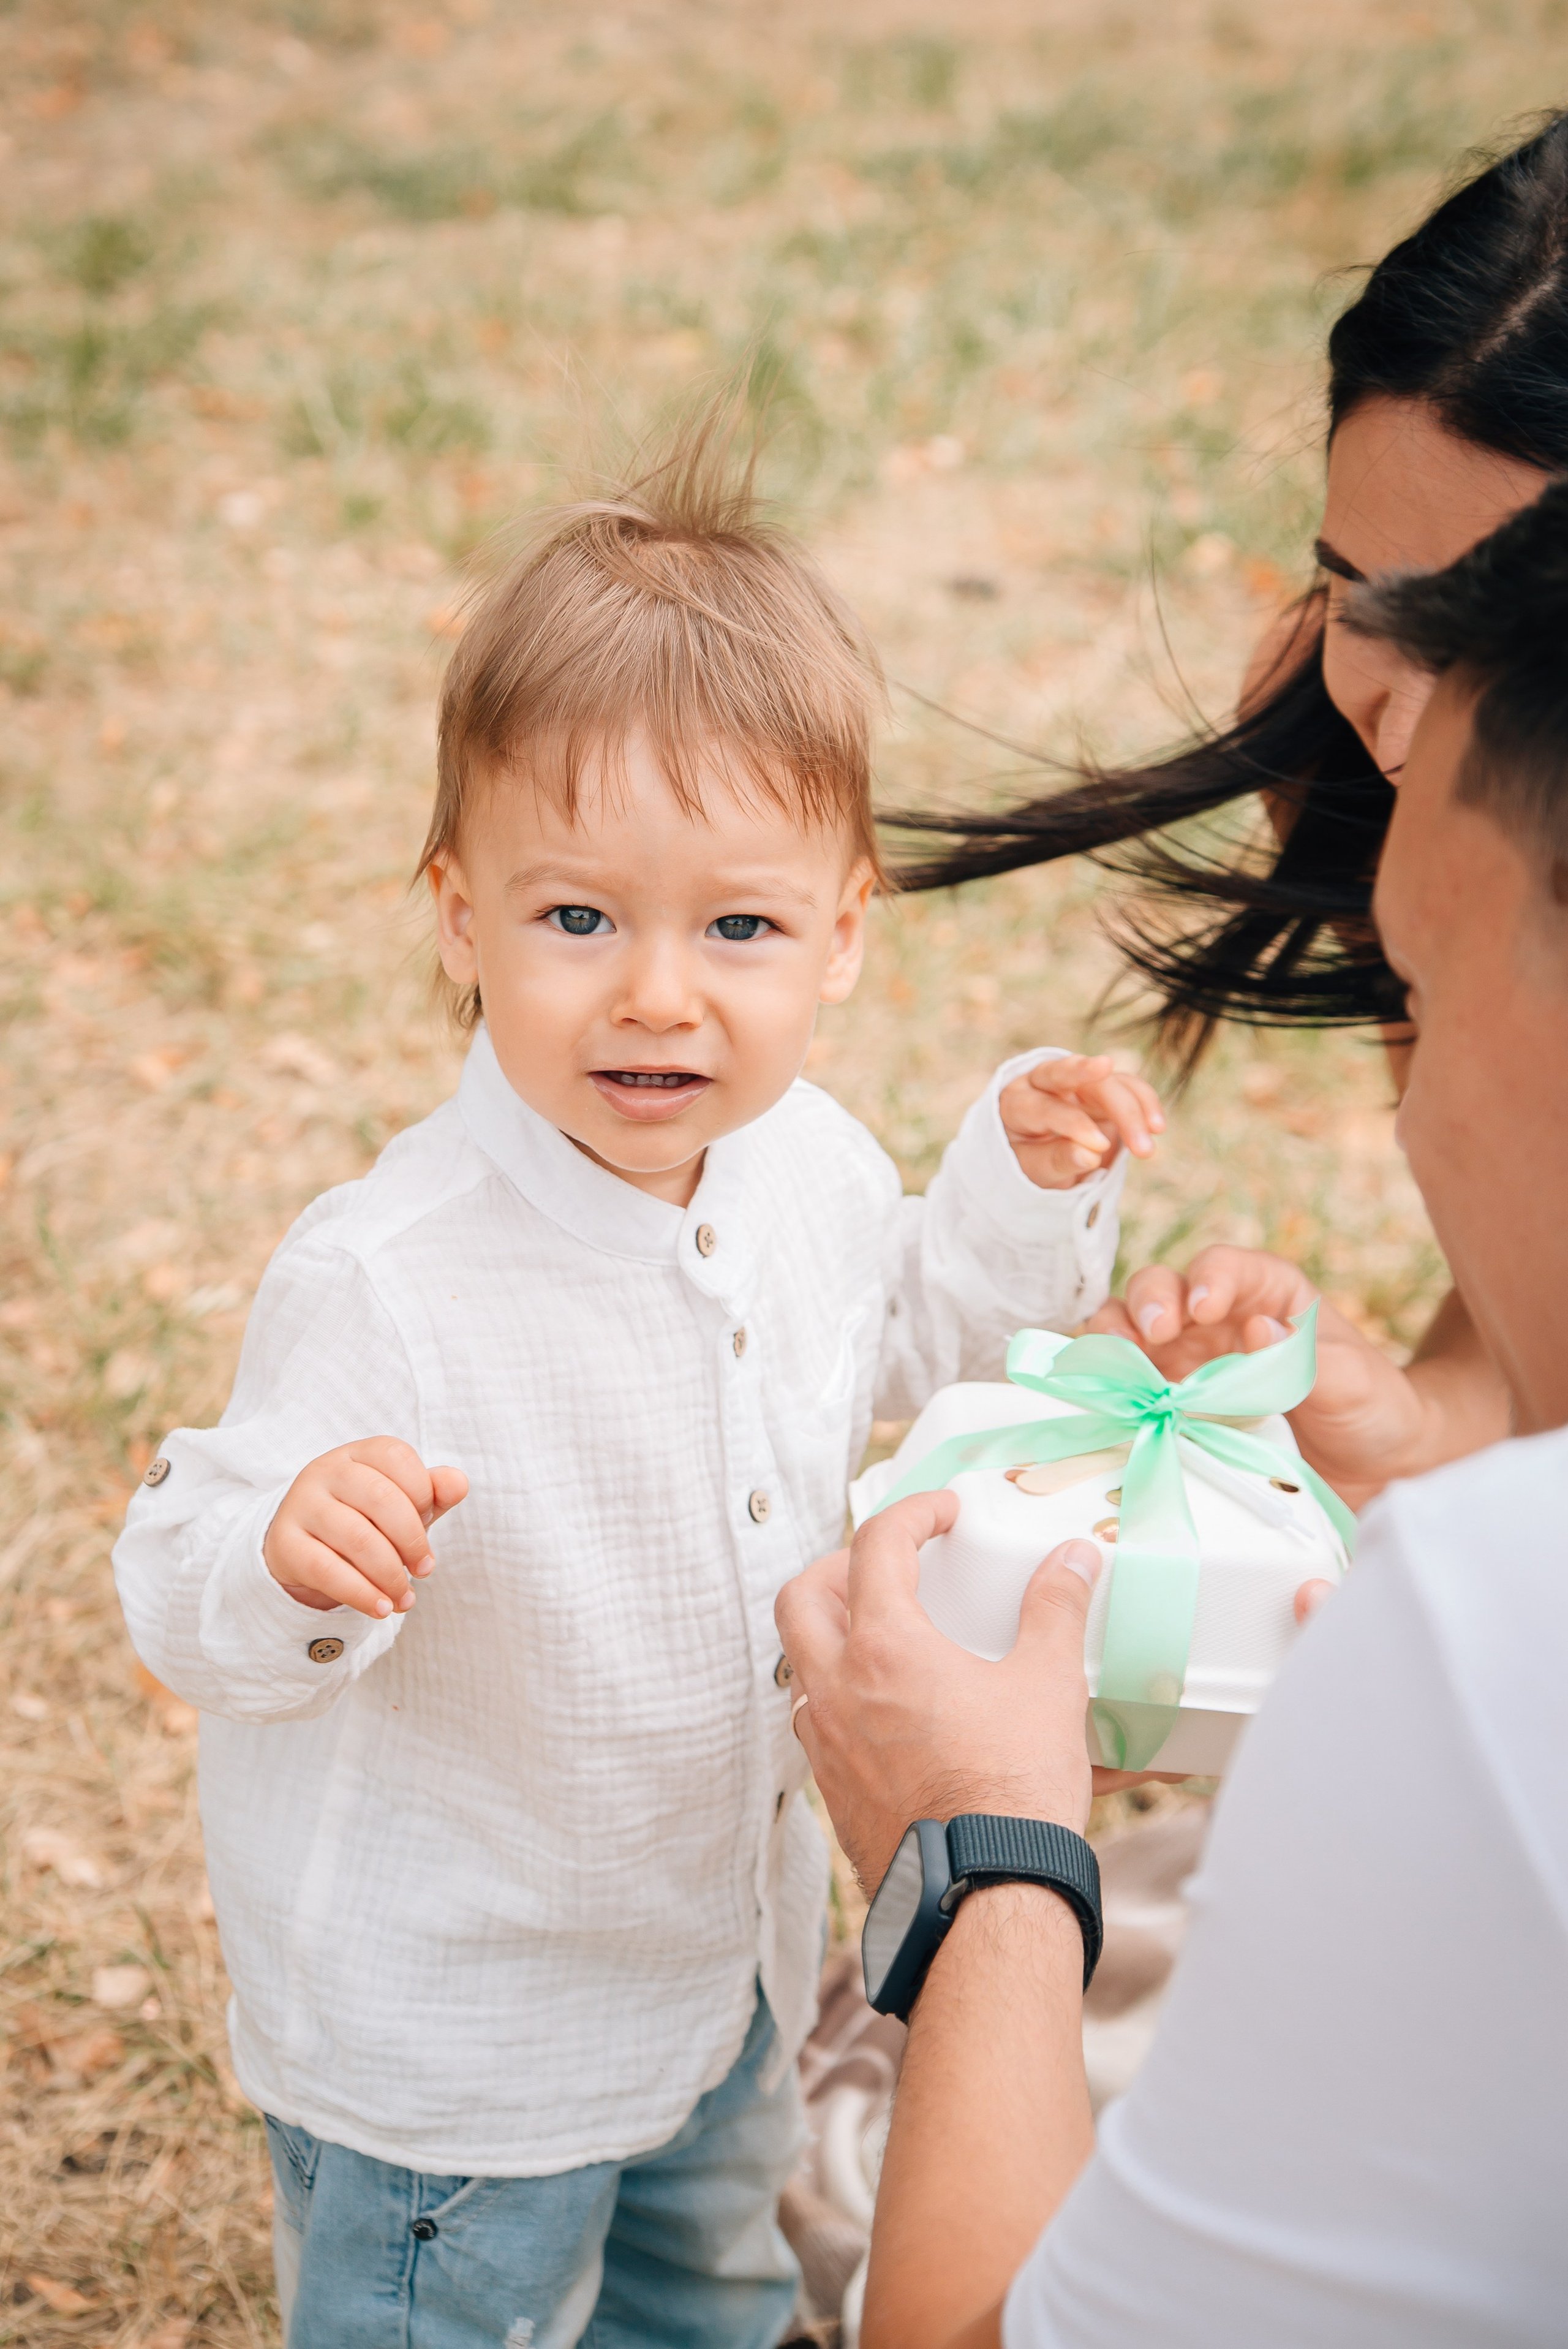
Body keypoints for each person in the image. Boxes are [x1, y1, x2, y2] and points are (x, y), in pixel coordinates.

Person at [111, 420, 1162, 2349]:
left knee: (710, 2280)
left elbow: (907, 1347)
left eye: (737, 925)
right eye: (578, 916)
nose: (658, 993)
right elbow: (177, 1566)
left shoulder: (815, 1166)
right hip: (465, 2043)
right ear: (461, 917)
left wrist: (1014, 1191)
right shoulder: (394, 1273)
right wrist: (281, 1542)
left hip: (714, 1961)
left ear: (843, 931)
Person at [777, 478, 1568, 2345]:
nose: (1412, 1116)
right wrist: (1451, 1449)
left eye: (1427, 1001)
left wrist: (988, 1858)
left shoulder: (1492, 1623)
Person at [899, 113, 1568, 1506]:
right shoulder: (1356, 774)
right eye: (1354, 595)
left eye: (1472, 644)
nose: (1385, 710)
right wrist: (1416, 1427)